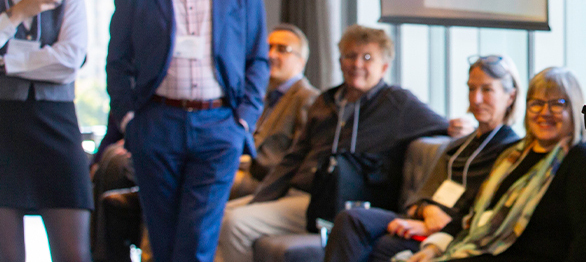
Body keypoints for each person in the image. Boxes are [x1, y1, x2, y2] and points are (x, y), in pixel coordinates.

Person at [106, 0, 270, 262]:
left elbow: (257, 59)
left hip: (218, 125)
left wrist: (243, 120)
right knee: (162, 239)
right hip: (156, 123)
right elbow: (117, 61)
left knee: (197, 238)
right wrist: (130, 119)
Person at [216, 25, 450, 262]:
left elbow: (444, 126)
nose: (357, 64)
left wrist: (458, 126)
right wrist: (262, 197)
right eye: (350, 56)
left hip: (334, 202)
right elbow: (293, 158)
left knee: (234, 224)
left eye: (367, 57)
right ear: (340, 61)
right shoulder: (326, 101)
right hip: (297, 192)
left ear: (385, 67)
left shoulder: (398, 104)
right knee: (217, 214)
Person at [324, 55, 524, 262]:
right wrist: (428, 213)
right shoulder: (458, 147)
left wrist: (436, 227)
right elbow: (417, 198)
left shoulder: (511, 153)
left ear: (510, 96)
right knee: (351, 219)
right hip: (425, 218)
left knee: (385, 246)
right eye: (471, 89)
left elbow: (483, 215)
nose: (476, 99)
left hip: (455, 233)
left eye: (487, 90)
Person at [407, 67, 586, 262]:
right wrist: (434, 248)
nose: (544, 112)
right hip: (479, 251)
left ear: (573, 108)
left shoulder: (583, 159)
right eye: (536, 103)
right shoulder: (513, 155)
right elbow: (471, 211)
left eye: (557, 104)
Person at [0, 0, 90, 262]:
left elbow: (70, 59)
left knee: (74, 254)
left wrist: (6, 63)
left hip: (56, 124)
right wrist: (19, 12)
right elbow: (54, 59)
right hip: (1, 126)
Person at [229, 23, 322, 198]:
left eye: (282, 49)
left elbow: (298, 159)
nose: (271, 55)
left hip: (268, 184)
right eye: (268, 48)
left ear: (301, 61)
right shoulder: (261, 95)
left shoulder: (308, 98)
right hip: (242, 169)